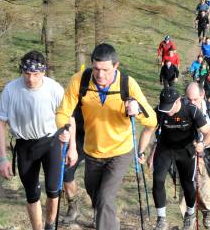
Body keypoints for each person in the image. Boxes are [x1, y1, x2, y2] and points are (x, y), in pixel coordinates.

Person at [55, 43, 157, 230]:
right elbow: (63, 112)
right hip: (92, 151)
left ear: (116, 66)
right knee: (98, 199)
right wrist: (64, 128)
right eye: (96, 69)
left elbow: (152, 120)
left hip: (120, 152)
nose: (100, 75)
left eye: (105, 70)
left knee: (104, 198)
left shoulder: (127, 84)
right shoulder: (80, 81)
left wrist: (137, 110)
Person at [0, 51, 68, 230]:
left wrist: (70, 140)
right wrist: (3, 158)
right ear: (22, 71)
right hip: (25, 145)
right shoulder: (11, 89)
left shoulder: (54, 88)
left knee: (53, 191)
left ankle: (50, 225)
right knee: (32, 194)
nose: (31, 79)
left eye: (35, 74)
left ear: (43, 72)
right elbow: (0, 123)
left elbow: (68, 116)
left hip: (50, 142)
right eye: (27, 73)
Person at [144, 86, 210, 230]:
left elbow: (209, 133)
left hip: (186, 149)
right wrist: (141, 152)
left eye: (169, 107)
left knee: (187, 183)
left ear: (178, 101)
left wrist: (203, 144)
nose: (167, 111)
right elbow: (148, 131)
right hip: (165, 148)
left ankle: (190, 213)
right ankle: (161, 219)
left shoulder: (192, 110)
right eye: (164, 107)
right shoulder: (160, 111)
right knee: (158, 179)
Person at [183, 84, 210, 229]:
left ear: (202, 95)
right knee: (187, 186)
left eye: (195, 99)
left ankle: (207, 211)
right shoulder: (182, 107)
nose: (191, 103)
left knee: (205, 187)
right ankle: (188, 216)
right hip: (186, 153)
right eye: (189, 99)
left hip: (206, 153)